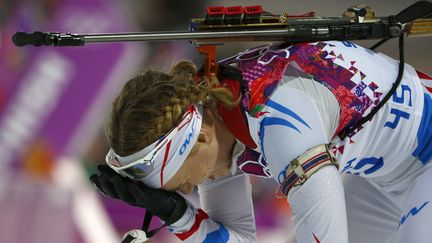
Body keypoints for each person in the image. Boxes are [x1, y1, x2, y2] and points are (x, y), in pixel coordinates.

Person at [90, 40, 432, 243]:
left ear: (201, 137)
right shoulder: (215, 112)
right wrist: (179, 216)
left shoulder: (281, 123)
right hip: (390, 176)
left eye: (181, 184)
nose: (185, 191)